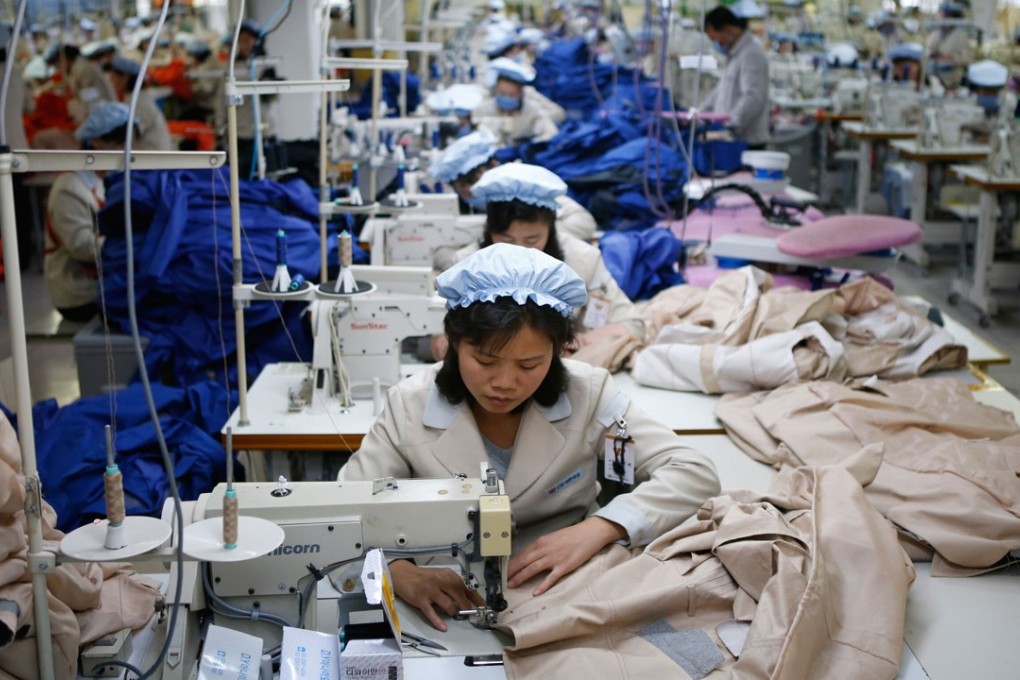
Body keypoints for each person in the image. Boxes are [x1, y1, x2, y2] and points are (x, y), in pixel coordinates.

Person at [338, 243, 719, 631]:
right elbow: (341, 514)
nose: (505, 383)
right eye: (485, 361)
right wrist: (398, 571)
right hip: (447, 602)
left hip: (568, 589)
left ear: (557, 351)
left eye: (529, 364)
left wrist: (601, 528)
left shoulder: (589, 394)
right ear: (453, 342)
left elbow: (692, 472)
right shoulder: (408, 405)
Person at [444, 162, 643, 349]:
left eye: (532, 240)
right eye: (506, 240)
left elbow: (631, 324)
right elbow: (438, 338)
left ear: (551, 228)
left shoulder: (583, 259)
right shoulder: (464, 266)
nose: (519, 251)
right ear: (489, 231)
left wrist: (580, 343)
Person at [44, 102, 133, 322]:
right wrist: (134, 243)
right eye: (119, 144)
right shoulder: (69, 188)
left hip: (103, 283)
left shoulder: (104, 179)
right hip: (79, 294)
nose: (125, 150)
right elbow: (82, 248)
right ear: (97, 142)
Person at [430, 130, 596, 242]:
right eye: (462, 188)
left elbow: (584, 222)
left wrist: (535, 234)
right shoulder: (457, 212)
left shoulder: (527, 187)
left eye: (474, 182)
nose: (471, 192)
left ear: (493, 166)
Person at [700, 6, 770, 149]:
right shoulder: (734, 55)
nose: (717, 44)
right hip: (730, 139)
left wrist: (730, 126)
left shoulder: (751, 54)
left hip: (746, 142)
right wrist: (699, 114)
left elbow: (753, 97)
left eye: (715, 38)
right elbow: (720, 93)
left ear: (728, 30)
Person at [475, 58, 561, 145]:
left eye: (511, 95)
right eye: (502, 93)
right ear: (496, 90)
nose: (506, 98)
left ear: (521, 94)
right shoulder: (483, 110)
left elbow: (551, 133)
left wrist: (529, 146)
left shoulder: (533, 112)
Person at [105, 55, 173, 151]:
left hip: (151, 157)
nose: (111, 81)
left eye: (113, 77)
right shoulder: (135, 98)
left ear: (125, 78)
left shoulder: (140, 103)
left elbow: (127, 134)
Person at [47, 43, 116, 124]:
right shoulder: (77, 68)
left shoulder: (83, 70)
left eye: (58, 63)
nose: (58, 67)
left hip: (105, 114)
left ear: (67, 59)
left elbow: (90, 100)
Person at [925, 2, 975, 90]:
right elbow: (927, 52)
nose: (943, 18)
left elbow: (967, 58)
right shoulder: (935, 34)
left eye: (947, 16)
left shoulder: (961, 36)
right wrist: (933, 55)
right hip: (933, 77)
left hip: (952, 79)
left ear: (953, 18)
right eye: (941, 15)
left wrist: (950, 57)